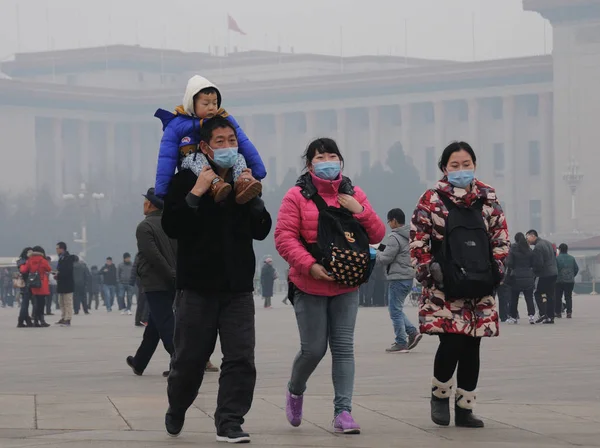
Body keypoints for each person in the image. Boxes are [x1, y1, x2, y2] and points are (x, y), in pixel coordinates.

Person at [162, 115, 272, 443]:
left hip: (237, 287)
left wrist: (252, 197)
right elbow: (172, 226)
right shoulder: (185, 179)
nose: (227, 146)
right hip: (196, 287)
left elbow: (262, 228)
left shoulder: (243, 179)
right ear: (206, 146)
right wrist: (195, 193)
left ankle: (230, 421)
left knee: (240, 357)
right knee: (190, 359)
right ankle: (178, 404)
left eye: (231, 141)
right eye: (219, 142)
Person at [274, 137, 385, 434]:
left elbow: (377, 233)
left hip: (346, 284)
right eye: (320, 157)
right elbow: (284, 238)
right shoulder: (296, 196)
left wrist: (359, 210)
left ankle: (343, 412)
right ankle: (295, 390)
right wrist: (310, 265)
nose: (327, 161)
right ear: (310, 164)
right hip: (309, 283)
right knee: (313, 349)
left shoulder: (354, 193)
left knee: (344, 348)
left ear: (341, 161)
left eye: (332, 155)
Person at [410, 141, 509, 428]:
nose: (461, 170)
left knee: (472, 347)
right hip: (445, 285)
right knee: (451, 342)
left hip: (480, 284)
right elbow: (419, 240)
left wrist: (497, 270)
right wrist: (430, 271)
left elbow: (500, 238)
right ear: (444, 168)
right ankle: (439, 395)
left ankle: (465, 408)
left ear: (474, 165)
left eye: (466, 164)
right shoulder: (431, 199)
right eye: (455, 165)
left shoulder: (488, 198)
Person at [154, 75, 266, 203]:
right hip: (191, 162)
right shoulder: (177, 125)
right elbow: (166, 157)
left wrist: (257, 172)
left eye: (215, 103)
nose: (212, 107)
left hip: (215, 161)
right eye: (206, 104)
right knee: (196, 158)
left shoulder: (224, 119)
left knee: (239, 157)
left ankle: (242, 184)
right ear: (192, 104)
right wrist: (162, 190)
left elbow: (244, 143)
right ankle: (215, 183)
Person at [126, 188, 177, 378]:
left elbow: (153, 256)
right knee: (155, 324)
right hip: (171, 280)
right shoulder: (171, 223)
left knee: (165, 322)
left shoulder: (144, 227)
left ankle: (180, 360)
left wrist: (170, 274)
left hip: (157, 282)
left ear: (150, 204)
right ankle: (140, 362)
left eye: (145, 201)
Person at [376, 208, 423, 353]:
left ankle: (401, 342)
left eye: (389, 220)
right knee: (396, 309)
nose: (389, 223)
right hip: (408, 277)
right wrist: (382, 248)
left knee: (394, 311)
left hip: (398, 278)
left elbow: (386, 258)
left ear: (394, 221)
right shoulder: (409, 235)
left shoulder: (394, 237)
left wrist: (376, 254)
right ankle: (412, 333)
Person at [526, 229, 558, 324]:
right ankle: (550, 316)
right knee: (550, 295)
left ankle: (543, 313)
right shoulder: (548, 243)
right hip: (553, 272)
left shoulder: (538, 247)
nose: (527, 239)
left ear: (533, 236)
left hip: (544, 274)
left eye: (527, 236)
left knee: (537, 292)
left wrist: (534, 271)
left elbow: (538, 263)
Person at [505, 232, 536, 324]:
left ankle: (513, 317)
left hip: (516, 276)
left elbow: (509, 263)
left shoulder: (513, 249)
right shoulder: (529, 249)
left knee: (514, 298)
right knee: (529, 297)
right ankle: (531, 316)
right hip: (528, 276)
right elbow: (533, 263)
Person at [19, 246, 52, 327]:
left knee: (36, 302)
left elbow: (23, 270)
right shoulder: (43, 260)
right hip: (42, 284)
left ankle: (36, 321)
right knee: (41, 303)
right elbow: (49, 269)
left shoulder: (29, 260)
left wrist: (21, 265)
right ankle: (40, 320)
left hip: (34, 284)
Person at [555, 243, 579, 319]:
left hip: (559, 281)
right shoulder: (572, 258)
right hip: (570, 281)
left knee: (558, 297)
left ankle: (558, 312)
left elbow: (555, 270)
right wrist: (572, 276)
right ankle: (569, 312)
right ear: (567, 249)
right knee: (568, 297)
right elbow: (576, 269)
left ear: (560, 249)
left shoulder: (557, 259)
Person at [55, 242, 76, 327]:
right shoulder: (60, 258)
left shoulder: (68, 258)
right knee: (61, 302)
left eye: (57, 248)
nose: (56, 250)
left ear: (62, 248)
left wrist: (59, 274)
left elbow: (67, 271)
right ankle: (63, 317)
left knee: (68, 302)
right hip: (61, 283)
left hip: (67, 283)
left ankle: (68, 318)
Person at [16, 247, 33, 328]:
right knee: (25, 304)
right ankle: (21, 321)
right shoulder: (25, 261)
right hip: (26, 284)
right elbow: (24, 271)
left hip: (24, 284)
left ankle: (27, 320)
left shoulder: (20, 261)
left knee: (25, 303)